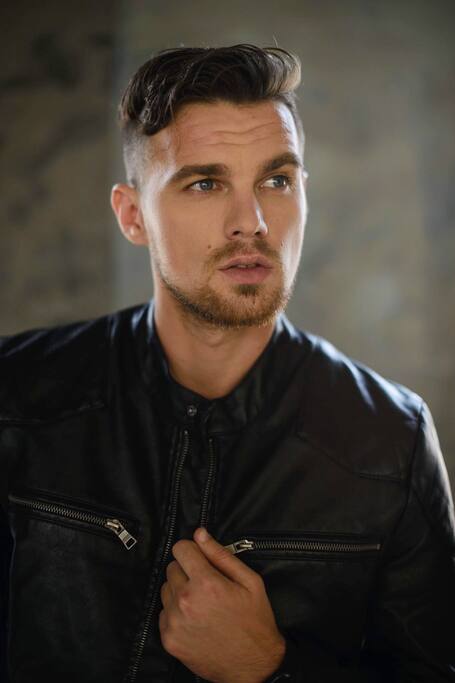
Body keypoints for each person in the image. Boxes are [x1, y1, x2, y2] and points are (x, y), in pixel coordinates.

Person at [0, 44, 454, 683]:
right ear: (133, 215)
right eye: (206, 184)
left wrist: (269, 669)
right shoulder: (17, 398)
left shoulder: (390, 440)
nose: (253, 222)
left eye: (277, 180)